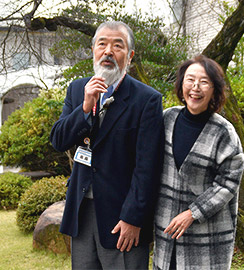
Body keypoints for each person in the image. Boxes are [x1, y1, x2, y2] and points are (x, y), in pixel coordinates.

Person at [50, 21, 164, 269]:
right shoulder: (78, 88)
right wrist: (84, 106)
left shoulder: (147, 100)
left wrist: (133, 218)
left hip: (122, 216)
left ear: (130, 55)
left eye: (117, 46)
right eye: (102, 44)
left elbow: (148, 168)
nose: (108, 51)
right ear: (93, 49)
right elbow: (59, 140)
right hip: (81, 210)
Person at [153, 55, 244, 270]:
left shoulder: (224, 132)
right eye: (190, 80)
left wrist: (192, 213)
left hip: (207, 232)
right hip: (167, 227)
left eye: (204, 82)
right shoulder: (166, 119)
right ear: (181, 85)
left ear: (214, 89)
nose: (195, 87)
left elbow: (228, 183)